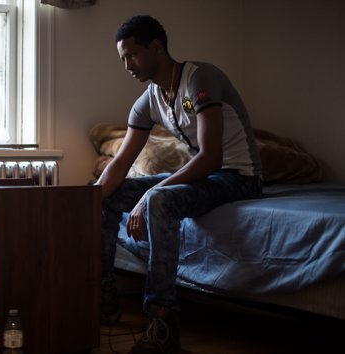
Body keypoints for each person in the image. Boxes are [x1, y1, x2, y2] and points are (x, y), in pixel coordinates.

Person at [95, 15, 263, 354]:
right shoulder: (149, 100)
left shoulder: (201, 78)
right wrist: (87, 198)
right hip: (205, 175)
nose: (127, 65)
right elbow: (121, 163)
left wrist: (154, 191)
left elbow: (211, 157)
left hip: (239, 177)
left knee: (159, 201)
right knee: (106, 196)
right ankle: (102, 296)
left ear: (156, 48)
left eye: (133, 55)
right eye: (122, 58)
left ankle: (163, 323)